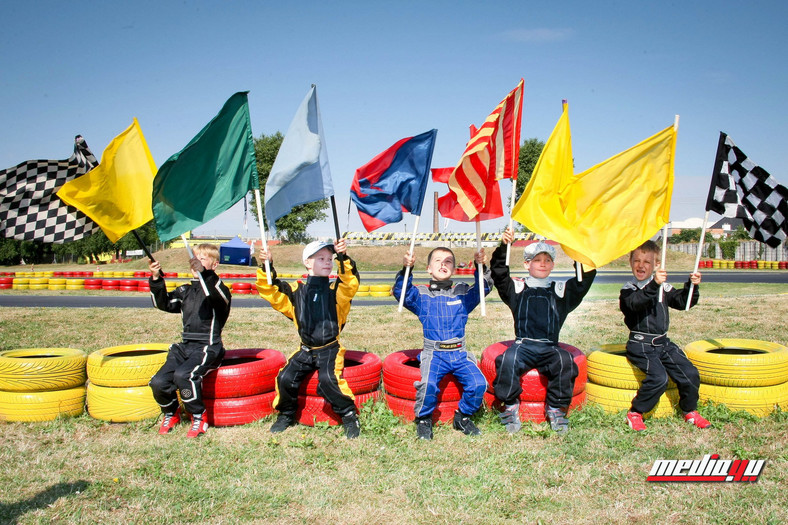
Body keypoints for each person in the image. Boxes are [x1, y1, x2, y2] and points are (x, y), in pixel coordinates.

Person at [490, 227, 596, 434]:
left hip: (550, 348)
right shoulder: (517, 288)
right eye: (537, 260)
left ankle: (556, 408)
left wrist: (579, 254)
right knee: (507, 361)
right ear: (526, 264)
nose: (543, 264)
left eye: (547, 260)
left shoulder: (560, 291)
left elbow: (583, 282)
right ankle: (510, 406)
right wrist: (505, 247)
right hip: (523, 345)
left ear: (553, 265)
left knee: (566, 362)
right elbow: (499, 273)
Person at [256, 238, 361, 439]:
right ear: (307, 262)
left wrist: (343, 257)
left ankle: (348, 415)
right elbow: (270, 290)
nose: (327, 262)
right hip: (305, 349)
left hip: (330, 348)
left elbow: (350, 282)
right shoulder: (296, 292)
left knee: (328, 380)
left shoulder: (336, 291)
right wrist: (267, 265)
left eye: (330, 258)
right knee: (285, 377)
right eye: (321, 258)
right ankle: (286, 414)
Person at [393, 247, 491, 440]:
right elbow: (400, 291)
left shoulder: (462, 294)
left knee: (479, 383)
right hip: (434, 354)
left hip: (460, 354)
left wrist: (481, 265)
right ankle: (423, 420)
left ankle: (462, 417)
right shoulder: (422, 296)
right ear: (429, 268)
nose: (443, 264)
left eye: (448, 262)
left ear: (454, 268)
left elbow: (484, 287)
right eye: (437, 261)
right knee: (427, 385)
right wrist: (406, 269)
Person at [620, 240, 710, 431]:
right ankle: (636, 412)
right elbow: (635, 304)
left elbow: (683, 303)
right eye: (637, 260)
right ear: (630, 262)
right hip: (640, 344)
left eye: (647, 261)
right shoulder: (628, 289)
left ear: (657, 265)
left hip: (663, 343)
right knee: (659, 378)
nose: (641, 265)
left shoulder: (663, 287)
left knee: (690, 373)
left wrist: (692, 286)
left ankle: (689, 411)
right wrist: (654, 284)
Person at [148, 244, 231, 438]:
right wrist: (155, 277)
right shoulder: (185, 290)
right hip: (185, 346)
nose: (196, 262)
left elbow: (216, 294)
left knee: (184, 375)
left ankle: (198, 415)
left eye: (202, 259)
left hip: (208, 347)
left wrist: (204, 274)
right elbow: (163, 303)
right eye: (194, 258)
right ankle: (171, 412)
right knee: (158, 382)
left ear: (215, 264)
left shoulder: (220, 290)